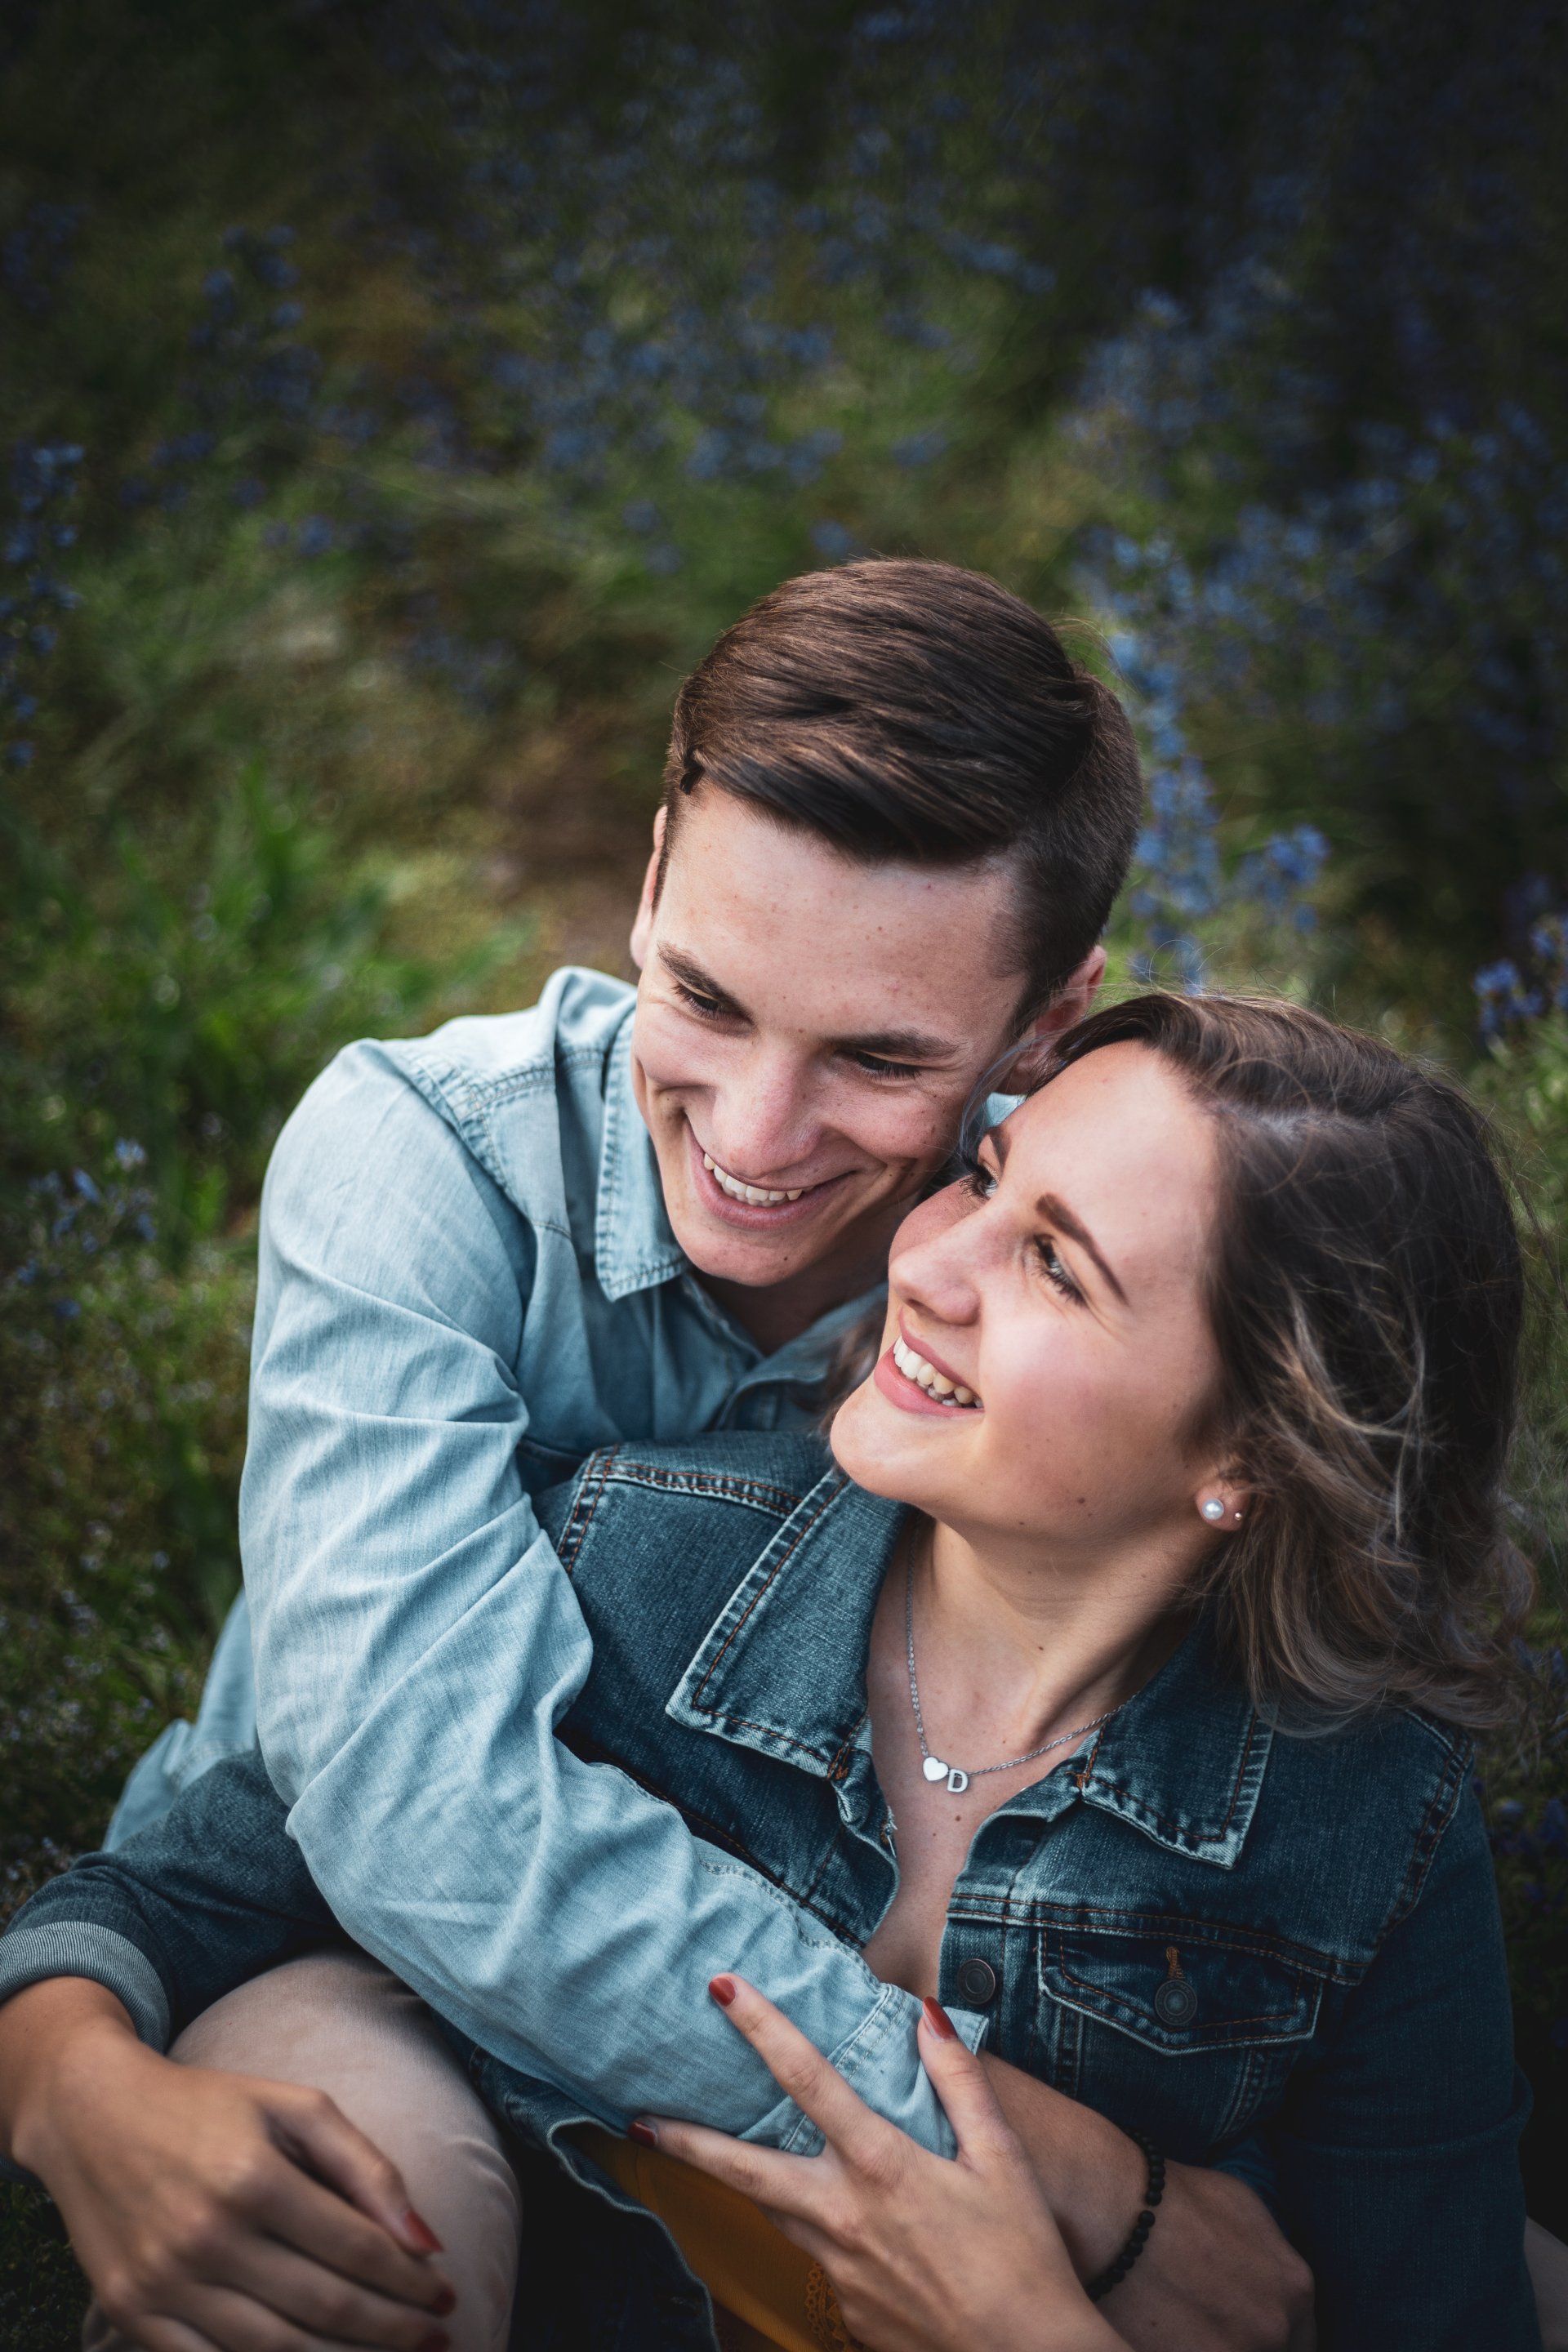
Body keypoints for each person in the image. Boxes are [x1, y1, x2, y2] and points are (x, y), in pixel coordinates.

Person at [3, 563, 1328, 2343]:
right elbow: (420, 1817)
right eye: (704, 994)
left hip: (869, 1991)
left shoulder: (1064, 1273)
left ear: (1045, 1023)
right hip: (374, 1962)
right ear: (646, 883)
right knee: (360, 2263)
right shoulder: (428, 1162)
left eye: (877, 1058)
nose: (757, 1139)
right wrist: (1050, 2173)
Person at [0, 994, 1546, 2350]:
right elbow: (168, 1897)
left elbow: (1434, 2310)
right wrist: (70, 2077)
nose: (928, 1265)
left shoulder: (1370, 1822)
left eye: (1056, 1268)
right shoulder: (636, 1556)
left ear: (1254, 1457)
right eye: (985, 1177)